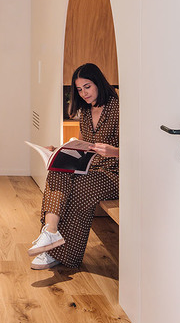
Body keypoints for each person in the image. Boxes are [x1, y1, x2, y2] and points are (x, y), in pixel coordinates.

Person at [28, 63, 119, 271]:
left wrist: (114, 151)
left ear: (98, 83)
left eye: (87, 87)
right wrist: (58, 150)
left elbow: (137, 151)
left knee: (79, 190)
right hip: (90, 169)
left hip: (114, 174)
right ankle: (50, 231)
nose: (83, 93)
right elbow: (81, 145)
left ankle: (59, 253)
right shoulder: (85, 111)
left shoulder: (117, 108)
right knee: (56, 171)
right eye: (79, 89)